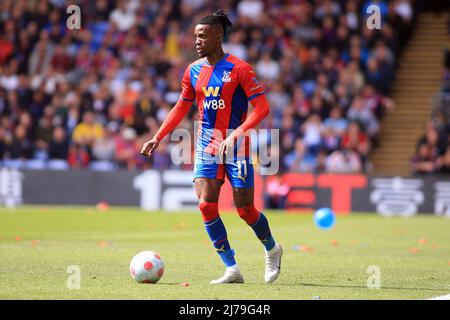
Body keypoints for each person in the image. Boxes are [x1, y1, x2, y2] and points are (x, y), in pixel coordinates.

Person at [140, 10, 282, 284]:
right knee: (206, 205)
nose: (197, 41)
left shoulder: (240, 69)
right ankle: (232, 268)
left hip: (237, 145)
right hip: (207, 144)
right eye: (195, 36)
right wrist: (158, 136)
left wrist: (237, 133)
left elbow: (262, 108)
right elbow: (182, 106)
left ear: (218, 36)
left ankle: (272, 249)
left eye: (202, 36)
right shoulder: (193, 70)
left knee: (244, 209)